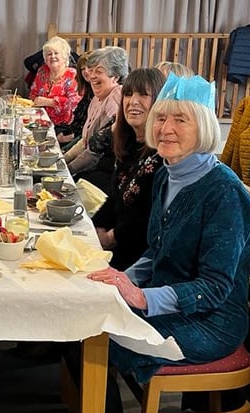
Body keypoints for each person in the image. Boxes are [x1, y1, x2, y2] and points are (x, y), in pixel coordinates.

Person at [67, 73, 250, 413]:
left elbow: (215, 287)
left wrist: (141, 296)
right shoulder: (169, 175)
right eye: (162, 118)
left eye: (180, 119)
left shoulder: (223, 192)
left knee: (92, 335)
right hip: (171, 300)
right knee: (82, 316)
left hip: (209, 321)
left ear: (202, 126)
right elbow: (156, 251)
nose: (166, 128)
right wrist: (122, 280)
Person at [90, 68, 166, 269]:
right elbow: (115, 197)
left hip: (137, 258)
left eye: (143, 95)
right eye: (129, 94)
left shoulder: (162, 154)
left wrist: (109, 238)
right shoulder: (130, 144)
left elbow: (147, 217)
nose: (133, 101)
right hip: (115, 244)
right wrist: (96, 227)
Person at [64, 47, 129, 175]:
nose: (92, 76)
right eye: (91, 70)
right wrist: (63, 160)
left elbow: (96, 152)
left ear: (115, 77)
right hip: (90, 166)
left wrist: (68, 170)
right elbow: (84, 142)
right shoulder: (96, 99)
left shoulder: (116, 96)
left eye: (99, 71)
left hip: (105, 171)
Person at [28, 36, 82, 135]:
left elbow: (74, 104)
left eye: (56, 53)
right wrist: (35, 101)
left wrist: (50, 102)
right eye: (49, 54)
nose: (52, 56)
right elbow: (33, 94)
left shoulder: (72, 75)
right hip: (39, 120)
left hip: (63, 124)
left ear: (64, 56)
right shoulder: (42, 71)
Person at [56, 51, 94, 148]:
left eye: (89, 67)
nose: (85, 71)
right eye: (82, 69)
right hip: (74, 134)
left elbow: (88, 131)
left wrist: (67, 138)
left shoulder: (97, 95)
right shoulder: (88, 92)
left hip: (83, 142)